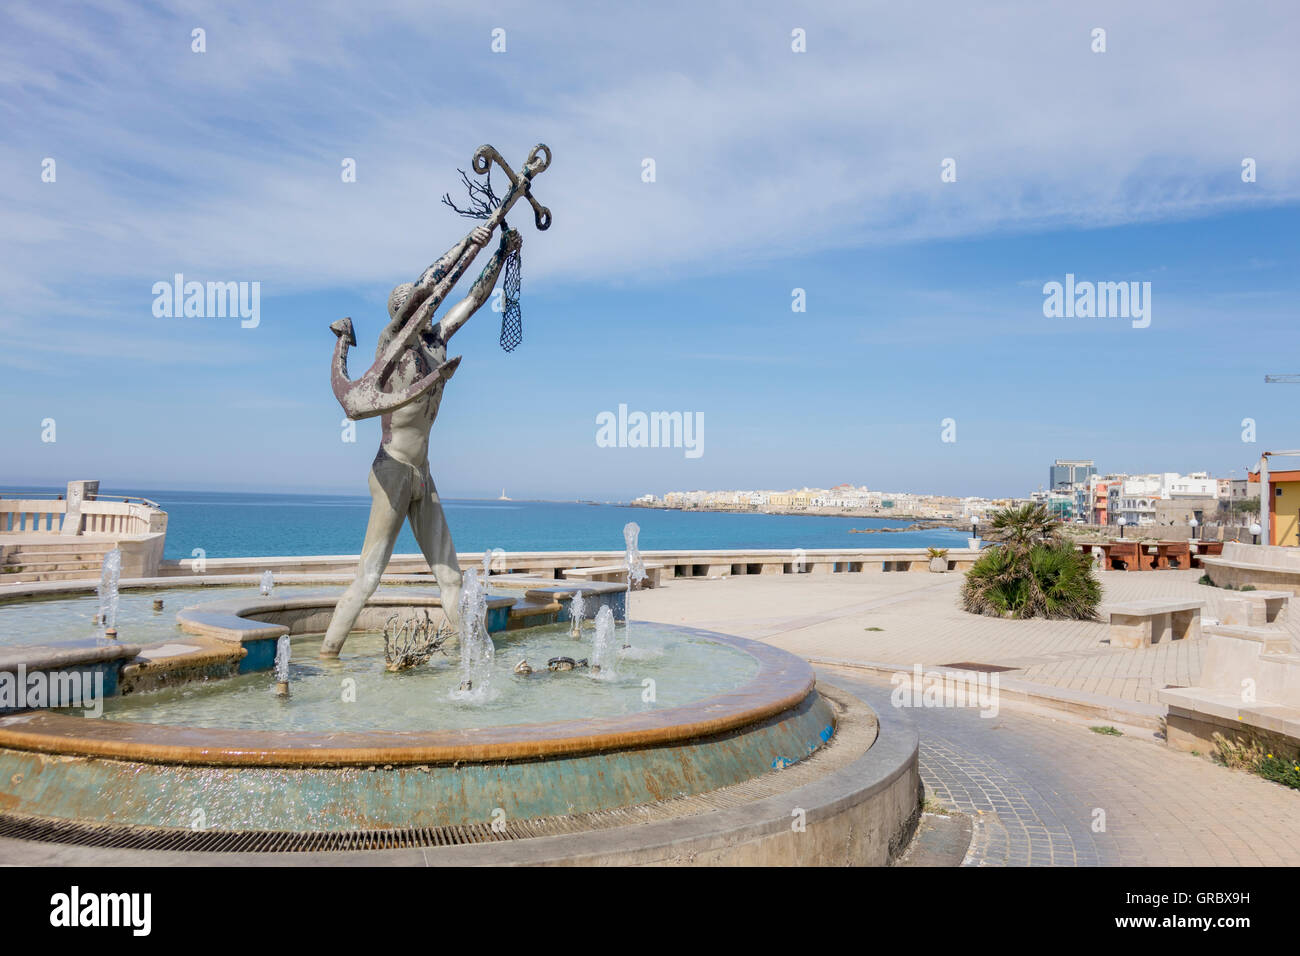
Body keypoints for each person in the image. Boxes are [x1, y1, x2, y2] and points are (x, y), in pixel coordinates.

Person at [320, 223, 521, 658]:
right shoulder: (390, 343)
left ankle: (477, 661)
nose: (426, 305)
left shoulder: (437, 343)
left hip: (423, 477)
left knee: (450, 576)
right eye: (416, 302)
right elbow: (434, 283)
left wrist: (500, 253)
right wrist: (468, 241)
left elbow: (473, 299)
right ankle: (327, 655)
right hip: (392, 470)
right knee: (369, 577)